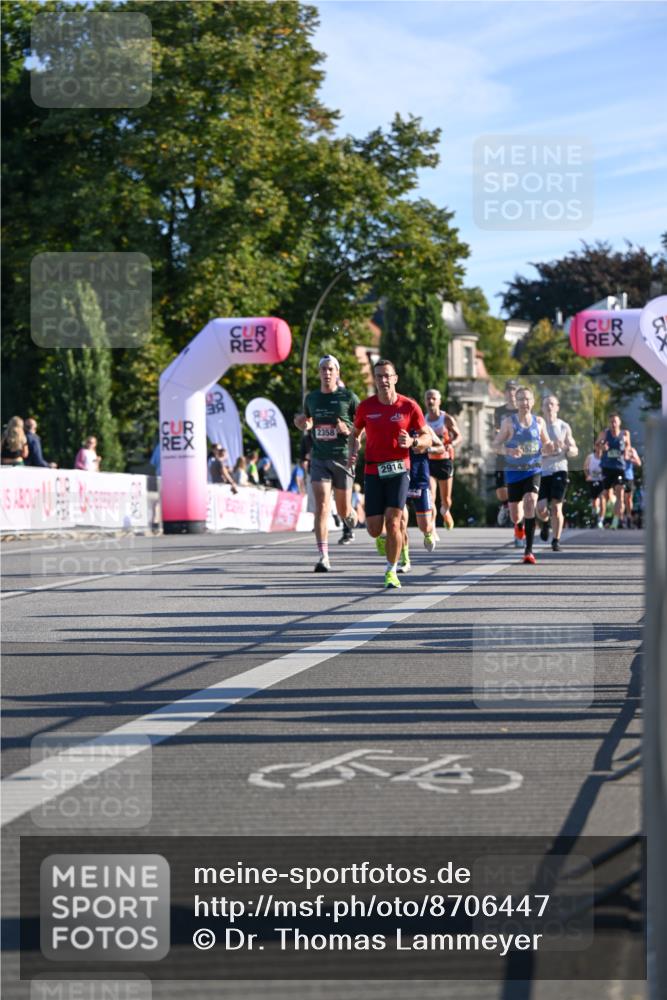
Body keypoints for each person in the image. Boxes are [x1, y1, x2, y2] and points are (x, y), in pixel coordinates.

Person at [353, 359, 430, 589]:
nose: (383, 380)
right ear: (375, 380)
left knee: (394, 521)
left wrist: (414, 440)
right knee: (374, 528)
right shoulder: (366, 407)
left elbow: (427, 437)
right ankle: (382, 538)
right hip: (373, 469)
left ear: (395, 378)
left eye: (387, 376)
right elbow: (355, 433)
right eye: (379, 376)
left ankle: (391, 571)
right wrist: (353, 449)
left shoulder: (409, 406)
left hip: (399, 468)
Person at [294, 355, 360, 572]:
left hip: (342, 457)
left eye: (331, 369)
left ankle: (351, 516)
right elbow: (307, 421)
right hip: (320, 458)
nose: (327, 373)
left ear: (337, 372)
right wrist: (302, 423)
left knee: (343, 509)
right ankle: (323, 556)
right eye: (323, 369)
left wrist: (348, 430)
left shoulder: (348, 397)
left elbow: (363, 425)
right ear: (319, 372)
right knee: (321, 506)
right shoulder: (311, 398)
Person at [493, 386, 556, 564]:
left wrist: (550, 446)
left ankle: (528, 551)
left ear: (533, 402)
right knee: (515, 515)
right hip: (514, 473)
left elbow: (547, 442)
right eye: (521, 399)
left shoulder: (539, 422)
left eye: (527, 399)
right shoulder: (508, 423)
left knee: (530, 502)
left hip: (533, 469)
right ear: (516, 402)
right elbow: (495, 445)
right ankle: (519, 525)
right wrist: (508, 450)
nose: (524, 403)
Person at [536, 394, 578, 552]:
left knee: (556, 506)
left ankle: (556, 540)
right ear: (542, 407)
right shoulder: (538, 426)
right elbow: (531, 449)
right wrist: (543, 451)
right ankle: (545, 523)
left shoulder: (563, 426)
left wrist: (567, 448)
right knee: (540, 509)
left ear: (557, 407)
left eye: (552, 404)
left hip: (559, 469)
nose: (549, 407)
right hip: (542, 471)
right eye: (546, 404)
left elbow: (574, 450)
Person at [423, 388, 462, 531]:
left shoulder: (446, 419)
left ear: (439, 401)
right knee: (430, 496)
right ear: (425, 401)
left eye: (433, 398)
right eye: (428, 398)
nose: (431, 401)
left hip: (444, 461)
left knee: (445, 500)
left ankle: (446, 512)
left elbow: (459, 436)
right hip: (429, 461)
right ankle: (431, 526)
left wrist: (451, 444)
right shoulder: (423, 419)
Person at [493, 379, 523, 545]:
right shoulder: (499, 411)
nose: (511, 393)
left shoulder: (522, 411)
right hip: (503, 454)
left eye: (514, 390)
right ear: (505, 393)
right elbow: (496, 431)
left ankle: (519, 531)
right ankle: (505, 505)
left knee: (517, 496)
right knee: (501, 491)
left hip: (519, 456)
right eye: (508, 390)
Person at [596, 414, 632, 530]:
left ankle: (615, 521)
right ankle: (601, 519)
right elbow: (597, 445)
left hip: (619, 468)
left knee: (620, 493)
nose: (613, 424)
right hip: (607, 467)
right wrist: (602, 447)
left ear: (619, 422)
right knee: (605, 495)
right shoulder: (605, 433)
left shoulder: (625, 434)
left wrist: (626, 452)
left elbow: (628, 446)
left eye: (615, 422)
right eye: (611, 422)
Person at [583, 439, 606, 528]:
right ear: (595, 447)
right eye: (597, 445)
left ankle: (601, 520)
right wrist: (587, 475)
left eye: (601, 445)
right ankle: (596, 513)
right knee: (594, 502)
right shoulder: (590, 457)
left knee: (602, 499)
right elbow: (585, 467)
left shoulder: (605, 457)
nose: (599, 447)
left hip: (602, 481)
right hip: (592, 480)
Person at [623, 444, 642, 529]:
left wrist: (631, 458)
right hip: (617, 475)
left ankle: (628, 517)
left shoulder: (632, 450)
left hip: (628, 476)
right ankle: (619, 518)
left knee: (628, 499)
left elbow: (639, 463)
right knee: (620, 498)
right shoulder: (615, 447)